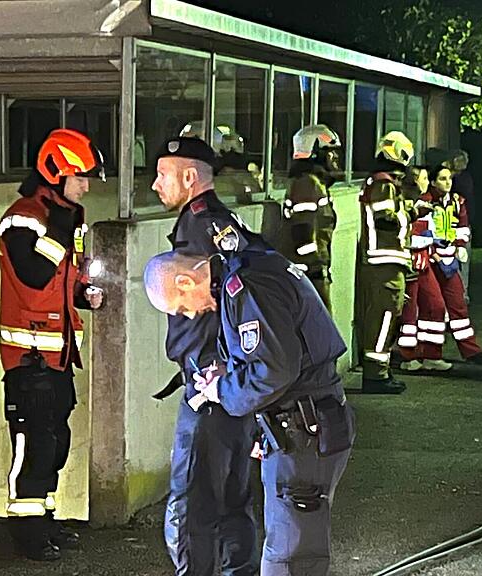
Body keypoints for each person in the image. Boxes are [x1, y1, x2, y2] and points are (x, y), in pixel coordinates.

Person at [144, 249, 354, 576]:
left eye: (182, 307)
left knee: (290, 557)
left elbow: (275, 371)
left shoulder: (245, 287)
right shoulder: (247, 271)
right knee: (289, 547)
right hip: (300, 424)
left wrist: (220, 390)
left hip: (302, 428)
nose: (189, 315)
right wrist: (226, 371)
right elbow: (273, 353)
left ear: (186, 281)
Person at [152, 136, 267, 576]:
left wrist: (216, 366)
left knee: (192, 503)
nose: (155, 185)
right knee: (232, 499)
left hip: (209, 382)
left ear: (188, 177)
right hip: (229, 380)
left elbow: (234, 304)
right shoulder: (216, 222)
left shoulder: (200, 227)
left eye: (163, 175)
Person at [0, 129, 106, 561]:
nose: (87, 185)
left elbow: (65, 280)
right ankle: (27, 535)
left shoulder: (69, 220)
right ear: (57, 171)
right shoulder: (21, 219)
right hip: (29, 359)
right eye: (81, 176)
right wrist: (62, 228)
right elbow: (35, 275)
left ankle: (45, 522)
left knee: (55, 443)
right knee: (34, 445)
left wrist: (86, 296)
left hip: (59, 357)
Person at [356, 131, 416, 393]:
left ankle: (381, 371)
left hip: (385, 263)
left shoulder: (382, 183)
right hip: (384, 263)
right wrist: (410, 214)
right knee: (382, 319)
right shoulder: (384, 184)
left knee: (385, 318)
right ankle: (376, 376)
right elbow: (386, 220)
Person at [421, 165, 482, 366]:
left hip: (449, 260)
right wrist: (433, 253)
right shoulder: (425, 202)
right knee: (433, 309)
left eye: (450, 179)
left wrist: (460, 245)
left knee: (458, 305)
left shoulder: (456, 202)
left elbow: (462, 227)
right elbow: (421, 232)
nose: (448, 183)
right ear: (433, 182)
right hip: (430, 260)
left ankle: (471, 351)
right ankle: (431, 354)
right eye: (443, 179)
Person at [397, 165, 453, 372]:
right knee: (409, 313)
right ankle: (408, 356)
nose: (427, 182)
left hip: (424, 262)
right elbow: (409, 236)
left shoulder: (425, 204)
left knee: (436, 306)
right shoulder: (406, 204)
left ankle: (432, 355)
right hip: (410, 263)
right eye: (424, 178)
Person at [282, 124, 342, 310]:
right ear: (316, 152)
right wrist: (316, 271)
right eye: (330, 152)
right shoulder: (307, 184)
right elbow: (302, 232)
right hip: (307, 277)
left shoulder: (311, 182)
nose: (335, 158)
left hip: (309, 274)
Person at [449, 150, 475, 301]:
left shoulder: (463, 179)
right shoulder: (464, 178)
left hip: (462, 223)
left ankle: (462, 293)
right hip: (458, 223)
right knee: (461, 259)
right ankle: (460, 293)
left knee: (463, 258)